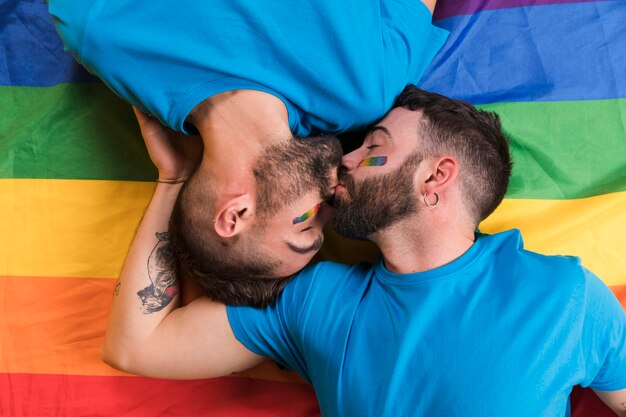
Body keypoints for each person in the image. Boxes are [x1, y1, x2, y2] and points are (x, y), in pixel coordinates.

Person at [103, 86, 626, 416]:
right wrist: (177, 181)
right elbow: (135, 346)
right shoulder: (312, 300)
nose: (343, 161)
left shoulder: (567, 297)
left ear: (436, 177)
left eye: (374, 148)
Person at [47, 0, 449, 302]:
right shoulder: (366, 95)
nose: (334, 205)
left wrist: (174, 181)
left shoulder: (100, 30)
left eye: (306, 227)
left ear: (235, 215)